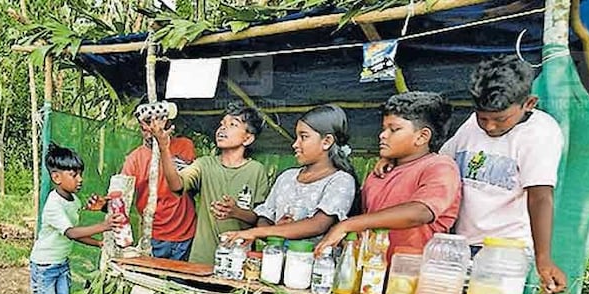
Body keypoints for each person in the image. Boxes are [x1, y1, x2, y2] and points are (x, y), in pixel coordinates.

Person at [440, 55, 567, 293]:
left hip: (505, 251)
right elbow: (441, 164)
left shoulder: (539, 134)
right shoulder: (470, 125)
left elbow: (540, 196)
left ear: (529, 103)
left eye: (500, 119)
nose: (489, 126)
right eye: (483, 117)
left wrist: (543, 259)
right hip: (461, 245)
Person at [316, 92, 462, 255]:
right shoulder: (382, 171)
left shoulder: (440, 166)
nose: (382, 135)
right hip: (372, 269)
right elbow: (366, 216)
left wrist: (350, 224)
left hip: (413, 273)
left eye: (394, 129)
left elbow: (421, 212)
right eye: (384, 128)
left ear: (422, 136)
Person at [30, 144, 126, 294]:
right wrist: (104, 225)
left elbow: (79, 232)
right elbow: (72, 232)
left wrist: (100, 243)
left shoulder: (72, 200)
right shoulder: (53, 205)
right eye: (74, 175)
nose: (80, 179)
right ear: (56, 177)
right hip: (44, 267)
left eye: (80, 174)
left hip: (61, 264)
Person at [152, 102, 273, 264]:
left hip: (238, 262)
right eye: (222, 124)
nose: (222, 128)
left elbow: (259, 219)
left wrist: (235, 212)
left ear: (248, 138)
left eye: (232, 124)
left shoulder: (257, 171)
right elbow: (176, 185)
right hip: (201, 259)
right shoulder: (204, 164)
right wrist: (164, 148)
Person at [220, 104, 358, 245]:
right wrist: (274, 231)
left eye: (303, 137)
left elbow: (318, 225)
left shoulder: (341, 181)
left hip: (316, 265)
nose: (295, 144)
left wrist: (258, 232)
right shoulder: (286, 178)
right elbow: (264, 217)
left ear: (326, 141)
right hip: (276, 260)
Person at [119, 107, 198, 260]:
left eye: (153, 121)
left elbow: (186, 186)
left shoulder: (184, 146)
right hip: (155, 234)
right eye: (145, 125)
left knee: (179, 280)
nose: (149, 128)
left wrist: (163, 146)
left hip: (186, 231)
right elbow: (121, 195)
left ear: (166, 120)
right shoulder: (135, 159)